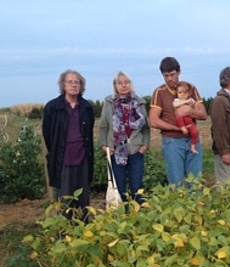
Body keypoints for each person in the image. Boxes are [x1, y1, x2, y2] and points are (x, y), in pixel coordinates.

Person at [42, 69, 95, 221]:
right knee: (65, 201)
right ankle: (64, 236)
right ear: (63, 86)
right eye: (70, 82)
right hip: (63, 161)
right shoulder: (53, 107)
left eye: (76, 82)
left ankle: (84, 234)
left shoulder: (87, 107)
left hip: (83, 160)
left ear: (81, 86)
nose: (73, 85)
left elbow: (89, 132)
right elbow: (48, 135)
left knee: (83, 201)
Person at [149, 57, 207, 186]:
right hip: (172, 141)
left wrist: (189, 112)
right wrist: (178, 128)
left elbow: (203, 114)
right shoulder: (159, 93)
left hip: (193, 140)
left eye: (172, 75)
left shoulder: (190, 89)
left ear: (179, 72)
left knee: (196, 182)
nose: (169, 79)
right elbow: (153, 121)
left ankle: (197, 205)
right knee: (176, 183)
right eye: (166, 76)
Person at [99, 71, 150, 204]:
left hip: (136, 152)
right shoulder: (109, 103)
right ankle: (123, 218)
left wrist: (144, 146)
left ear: (130, 84)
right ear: (115, 86)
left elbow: (146, 128)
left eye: (126, 82)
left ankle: (140, 217)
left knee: (137, 188)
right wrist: (104, 146)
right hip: (116, 152)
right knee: (120, 189)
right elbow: (104, 127)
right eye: (120, 83)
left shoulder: (139, 103)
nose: (123, 85)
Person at [173, 81, 199, 154]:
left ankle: (193, 147)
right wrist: (185, 102)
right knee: (179, 117)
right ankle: (182, 128)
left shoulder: (191, 100)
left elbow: (196, 110)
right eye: (180, 93)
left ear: (188, 94)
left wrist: (193, 105)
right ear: (177, 93)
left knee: (195, 133)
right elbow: (175, 105)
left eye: (185, 93)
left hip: (189, 121)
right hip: (181, 120)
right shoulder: (177, 100)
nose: (182, 95)